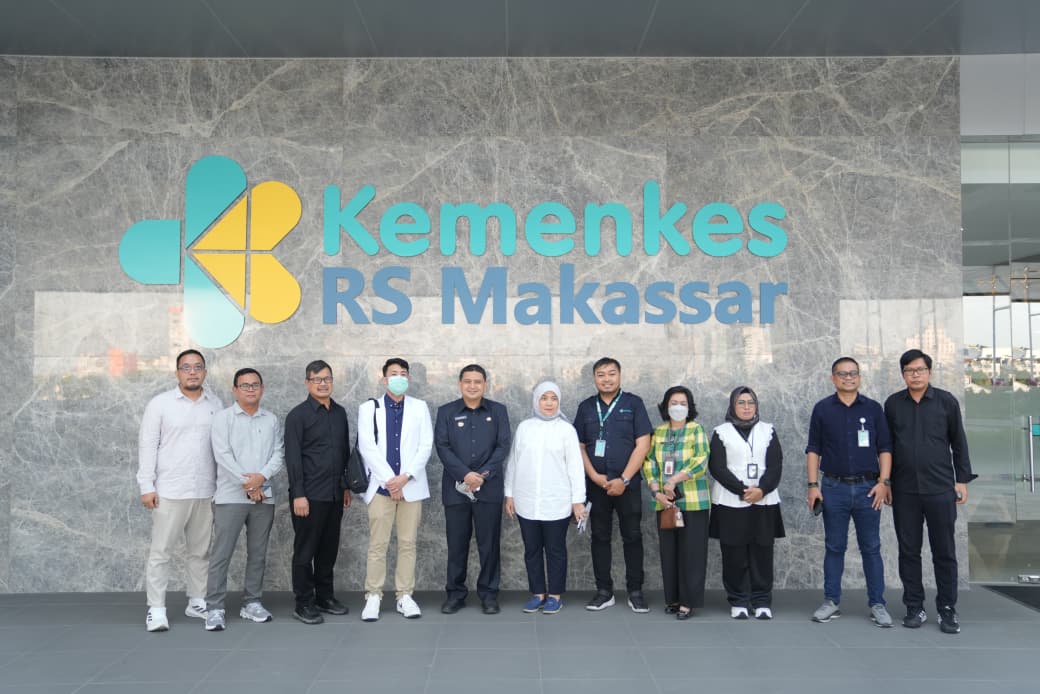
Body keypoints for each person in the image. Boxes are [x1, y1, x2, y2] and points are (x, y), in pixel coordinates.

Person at [884, 349, 974, 634]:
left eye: (920, 369)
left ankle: (947, 608)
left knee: (944, 551)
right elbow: (886, 447)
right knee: (909, 551)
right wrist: (885, 482)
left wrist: (961, 480)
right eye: (909, 370)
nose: (915, 374)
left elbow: (959, 442)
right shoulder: (893, 404)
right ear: (903, 374)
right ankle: (914, 606)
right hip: (904, 490)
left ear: (929, 372)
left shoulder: (946, 401)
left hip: (940, 488)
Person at [137, 349, 224, 632]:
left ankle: (197, 601)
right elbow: (147, 446)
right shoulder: (160, 404)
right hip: (169, 491)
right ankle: (156, 609)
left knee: (200, 552)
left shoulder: (216, 404)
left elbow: (221, 448)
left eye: (198, 367)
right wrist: (146, 486)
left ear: (205, 372)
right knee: (161, 552)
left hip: (205, 490)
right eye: (186, 367)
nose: (192, 372)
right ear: (177, 373)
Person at [806, 357, 894, 628]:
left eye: (853, 373)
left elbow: (885, 448)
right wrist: (813, 486)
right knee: (834, 547)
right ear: (833, 378)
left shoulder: (873, 408)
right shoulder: (823, 409)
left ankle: (877, 604)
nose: (848, 377)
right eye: (842, 374)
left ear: (859, 377)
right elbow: (813, 449)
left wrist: (884, 482)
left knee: (871, 547)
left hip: (869, 488)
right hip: (834, 488)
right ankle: (831, 601)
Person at [204, 368, 285, 631]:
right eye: (245, 385)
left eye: (255, 385)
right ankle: (214, 607)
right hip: (231, 496)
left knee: (258, 553)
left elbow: (278, 453)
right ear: (235, 390)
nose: (250, 389)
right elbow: (222, 455)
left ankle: (252, 603)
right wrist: (248, 483)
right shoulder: (223, 419)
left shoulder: (270, 419)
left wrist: (261, 478)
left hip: (264, 495)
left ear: (262, 389)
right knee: (221, 554)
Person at [573, 357, 653, 612]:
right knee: (599, 537)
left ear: (619, 375)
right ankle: (604, 591)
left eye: (611, 373)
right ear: (594, 378)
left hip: (627, 485)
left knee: (633, 536)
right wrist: (595, 476)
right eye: (601, 374)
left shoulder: (633, 403)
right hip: (597, 486)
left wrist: (625, 479)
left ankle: (635, 591)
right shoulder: (586, 407)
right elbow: (579, 446)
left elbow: (643, 444)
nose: (606, 379)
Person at [359, 357, 434, 622]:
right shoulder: (369, 408)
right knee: (377, 545)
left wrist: (405, 478)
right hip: (381, 489)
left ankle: (404, 596)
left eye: (403, 373)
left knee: (408, 543)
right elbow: (367, 447)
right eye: (393, 373)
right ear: (384, 379)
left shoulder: (419, 407)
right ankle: (373, 596)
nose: (399, 377)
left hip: (411, 487)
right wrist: (391, 481)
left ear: (408, 379)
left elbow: (426, 446)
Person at [505, 381, 588, 614]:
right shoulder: (524, 428)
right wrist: (509, 494)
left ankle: (555, 595)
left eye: (553, 398)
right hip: (526, 500)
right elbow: (513, 462)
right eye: (544, 398)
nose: (549, 403)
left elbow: (575, 467)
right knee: (531, 549)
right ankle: (537, 593)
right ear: (536, 401)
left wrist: (578, 501)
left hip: (556, 501)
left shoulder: (566, 430)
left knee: (555, 550)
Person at [435, 364, 512, 615]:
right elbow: (442, 447)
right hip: (456, 489)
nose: (472, 386)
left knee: (489, 546)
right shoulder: (446, 412)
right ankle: (455, 594)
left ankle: (489, 594)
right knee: (457, 545)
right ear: (460, 384)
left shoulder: (498, 411)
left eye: (477, 381)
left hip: (488, 489)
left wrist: (482, 475)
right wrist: (465, 475)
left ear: (485, 384)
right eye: (467, 381)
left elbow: (502, 446)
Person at [284, 360, 352, 625]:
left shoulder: (339, 413)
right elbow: (293, 458)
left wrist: (345, 486)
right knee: (305, 552)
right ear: (307, 383)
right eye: (317, 379)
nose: (323, 384)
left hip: (334, 494)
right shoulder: (297, 416)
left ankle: (325, 597)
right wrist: (298, 494)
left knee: (328, 550)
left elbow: (343, 452)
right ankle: (303, 602)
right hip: (309, 496)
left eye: (327, 379)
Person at [708, 386, 785, 620]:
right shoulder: (721, 432)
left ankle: (761, 600)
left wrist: (761, 490)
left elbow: (775, 465)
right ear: (733, 406)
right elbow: (717, 467)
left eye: (750, 402)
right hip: (731, 501)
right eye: (741, 403)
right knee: (734, 553)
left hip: (764, 500)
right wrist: (743, 491)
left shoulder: (768, 430)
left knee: (762, 551)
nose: (746, 407)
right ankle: (739, 599)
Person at [642, 385, 710, 620]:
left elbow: (701, 460)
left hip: (693, 501)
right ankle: (672, 598)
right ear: (665, 406)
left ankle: (688, 602)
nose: (678, 407)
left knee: (691, 553)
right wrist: (656, 491)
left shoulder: (696, 429)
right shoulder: (659, 433)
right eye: (674, 403)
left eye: (683, 403)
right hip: (666, 503)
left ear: (689, 407)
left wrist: (675, 479)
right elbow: (649, 462)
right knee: (669, 552)